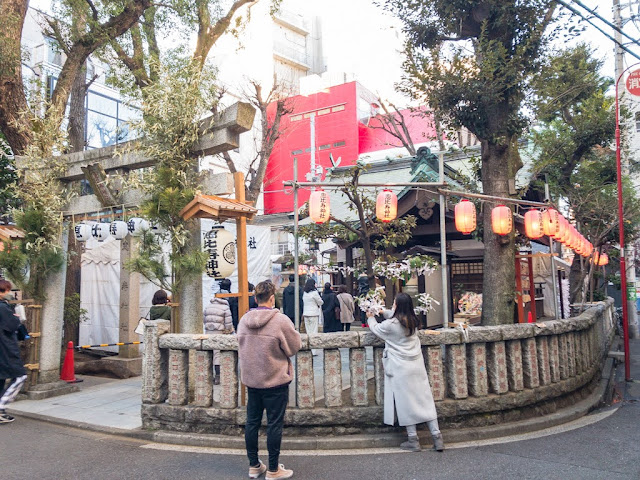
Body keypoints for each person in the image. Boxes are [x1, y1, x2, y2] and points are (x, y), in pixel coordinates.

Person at [237, 280, 301, 480]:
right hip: (275, 380)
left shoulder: (243, 321)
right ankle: (273, 469)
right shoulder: (280, 321)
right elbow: (293, 347)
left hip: (252, 380)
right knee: (274, 424)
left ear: (256, 298)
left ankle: (254, 465)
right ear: (272, 298)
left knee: (252, 422)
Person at [366, 293, 444, 452]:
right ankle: (437, 437)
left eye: (394, 303)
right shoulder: (413, 321)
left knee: (405, 402)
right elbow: (394, 316)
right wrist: (381, 311)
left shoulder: (390, 325)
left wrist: (370, 317)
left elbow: (376, 329)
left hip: (400, 367)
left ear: (397, 305)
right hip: (417, 365)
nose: (393, 306)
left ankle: (413, 439)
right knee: (425, 399)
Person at [0, 279, 27, 424]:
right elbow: (12, 326)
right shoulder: (3, 308)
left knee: (1, 379)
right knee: (20, 376)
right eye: (6, 290)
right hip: (5, 347)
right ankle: (1, 407)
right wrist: (16, 317)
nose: (9, 292)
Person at [204, 279, 234, 385]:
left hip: (208, 332)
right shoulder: (225, 308)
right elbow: (228, 323)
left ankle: (207, 375)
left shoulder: (208, 307)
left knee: (209, 353)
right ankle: (218, 376)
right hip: (219, 332)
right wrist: (229, 330)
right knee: (217, 354)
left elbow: (204, 320)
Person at [302, 279, 323, 354]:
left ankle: (308, 348)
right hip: (313, 313)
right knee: (314, 331)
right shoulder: (314, 293)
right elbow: (320, 302)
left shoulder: (305, 293)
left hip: (306, 313)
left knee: (308, 331)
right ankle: (313, 350)